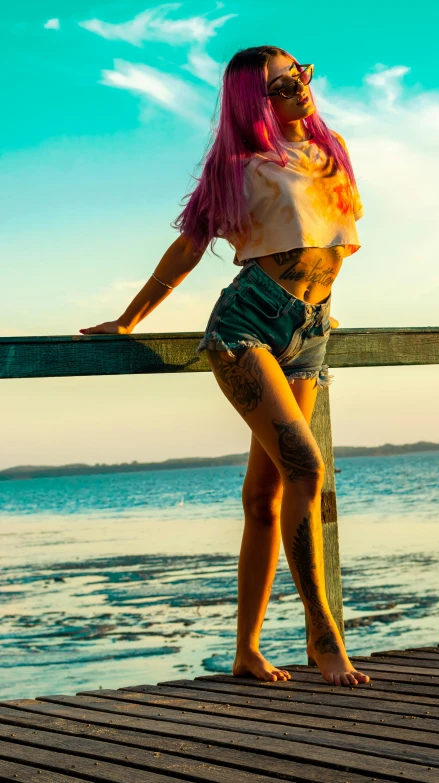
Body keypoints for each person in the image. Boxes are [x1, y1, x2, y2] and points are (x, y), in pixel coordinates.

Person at [80, 45, 370, 688]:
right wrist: (130, 319)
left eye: (303, 73)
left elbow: (330, 245)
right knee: (306, 466)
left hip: (312, 332)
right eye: (281, 84)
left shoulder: (334, 149)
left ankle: (246, 651)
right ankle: (323, 633)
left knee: (265, 495)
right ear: (252, 101)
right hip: (247, 326)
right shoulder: (239, 167)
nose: (299, 87)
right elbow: (189, 247)